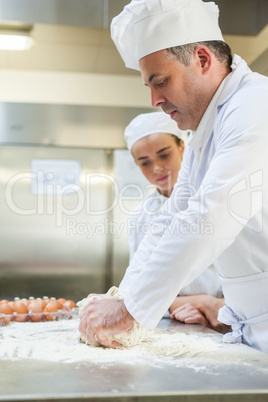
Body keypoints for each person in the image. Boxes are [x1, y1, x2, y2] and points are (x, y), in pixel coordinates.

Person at [79, 0, 268, 353]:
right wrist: (123, 297)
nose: (155, 100)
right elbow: (172, 219)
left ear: (202, 59)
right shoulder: (204, 134)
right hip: (251, 326)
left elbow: (210, 215)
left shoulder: (255, 107)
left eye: (160, 81)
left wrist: (129, 312)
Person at [122, 111, 227, 332]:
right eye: (145, 163)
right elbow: (140, 282)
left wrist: (219, 305)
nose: (157, 168)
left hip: (230, 314)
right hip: (176, 318)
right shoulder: (141, 216)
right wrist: (188, 304)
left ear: (182, 147)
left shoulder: (216, 198)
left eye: (164, 155)